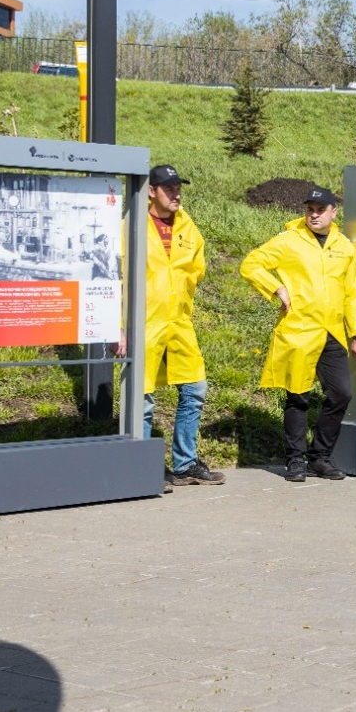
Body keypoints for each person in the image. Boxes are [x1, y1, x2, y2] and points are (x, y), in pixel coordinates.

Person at [240, 186, 356, 481]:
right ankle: (295, 461)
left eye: (320, 210)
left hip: (332, 332)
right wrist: (276, 288)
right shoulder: (289, 240)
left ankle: (319, 457)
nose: (314, 214)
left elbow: (351, 292)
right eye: (310, 209)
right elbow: (251, 264)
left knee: (341, 394)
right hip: (299, 330)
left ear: (333, 212)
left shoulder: (344, 246)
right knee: (298, 396)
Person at [140, 164, 223, 486]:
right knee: (142, 398)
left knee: (194, 388)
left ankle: (185, 464)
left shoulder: (188, 227)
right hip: (144, 323)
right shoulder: (132, 225)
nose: (176, 194)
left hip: (179, 321)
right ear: (151, 191)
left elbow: (197, 270)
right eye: (169, 189)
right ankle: (143, 467)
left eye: (178, 188)